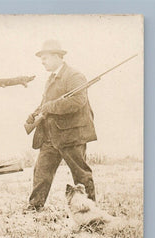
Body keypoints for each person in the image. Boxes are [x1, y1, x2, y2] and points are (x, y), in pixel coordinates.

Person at [24, 40, 97, 212]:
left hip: (71, 135)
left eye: (45, 57)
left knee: (81, 175)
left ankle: (90, 210)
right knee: (41, 173)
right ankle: (34, 207)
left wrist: (49, 106)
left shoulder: (74, 76)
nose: (42, 61)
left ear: (58, 56)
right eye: (41, 58)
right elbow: (46, 103)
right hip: (50, 136)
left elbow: (78, 101)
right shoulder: (51, 78)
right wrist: (34, 114)